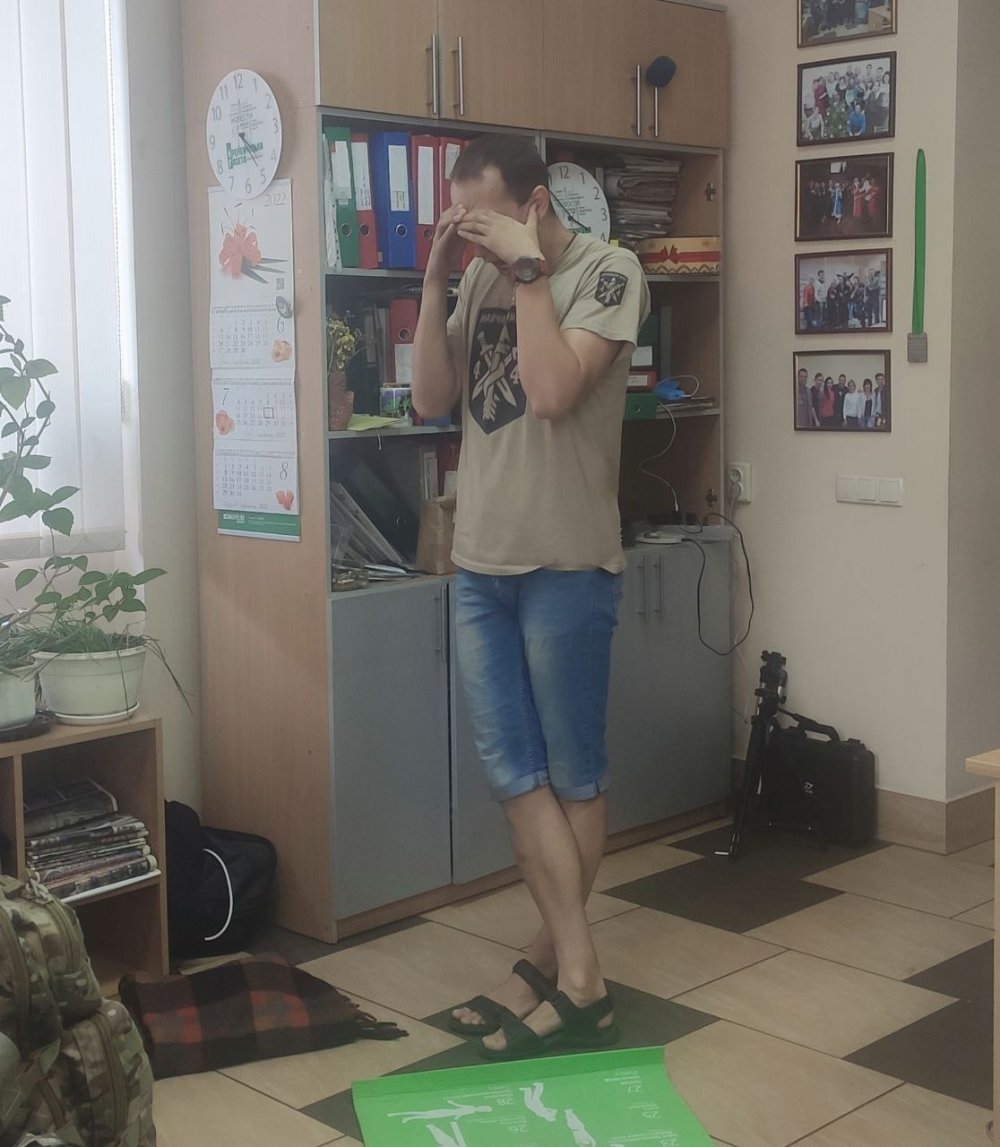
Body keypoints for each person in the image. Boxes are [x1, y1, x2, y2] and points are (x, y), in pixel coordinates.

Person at [411, 134, 648, 1060]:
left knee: (571, 775)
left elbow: (549, 393)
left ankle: (557, 971)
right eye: (457, 220)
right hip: (481, 564)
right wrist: (439, 278)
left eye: (481, 219)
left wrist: (527, 271)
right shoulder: (474, 277)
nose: (468, 236)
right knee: (515, 775)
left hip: (566, 565)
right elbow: (432, 397)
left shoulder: (608, 273)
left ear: (535, 203)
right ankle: (571, 971)